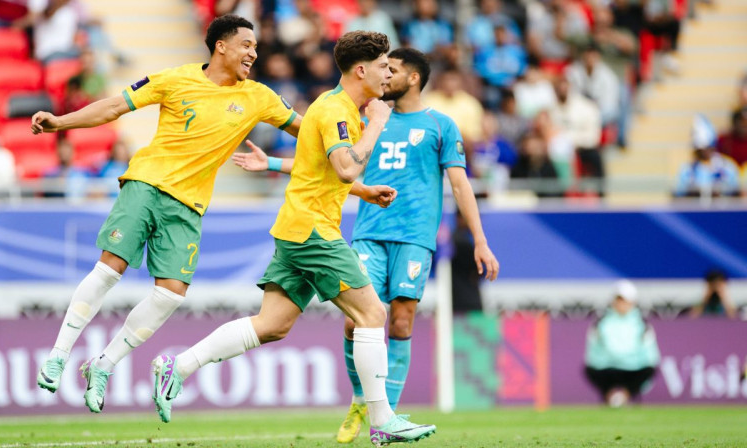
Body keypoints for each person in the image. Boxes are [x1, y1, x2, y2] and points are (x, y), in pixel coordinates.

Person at [151, 31, 437, 445]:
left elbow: (314, 170)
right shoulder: (339, 110)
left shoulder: (335, 108)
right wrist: (377, 124)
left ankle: (177, 367)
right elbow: (345, 167)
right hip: (313, 233)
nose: (388, 73)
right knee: (372, 315)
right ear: (361, 70)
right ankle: (383, 420)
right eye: (382, 66)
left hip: (295, 229)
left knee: (271, 325)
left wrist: (363, 192)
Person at [30, 15, 303, 414]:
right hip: (147, 183)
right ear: (221, 46)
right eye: (246, 44)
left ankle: (102, 365)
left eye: (256, 47)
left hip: (189, 205)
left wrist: (348, 130)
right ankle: (58, 354)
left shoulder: (258, 96)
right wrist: (60, 122)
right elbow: (112, 107)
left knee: (170, 294)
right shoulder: (174, 79)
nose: (254, 53)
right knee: (111, 266)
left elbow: (308, 130)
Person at [233, 47, 500, 443]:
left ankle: (384, 416)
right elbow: (325, 164)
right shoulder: (365, 120)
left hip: (415, 237)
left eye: (393, 70)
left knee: (402, 320)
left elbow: (460, 184)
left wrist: (480, 240)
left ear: (413, 78)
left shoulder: (440, 125)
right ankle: (364, 400)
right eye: (382, 68)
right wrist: (272, 163)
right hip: (369, 232)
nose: (385, 76)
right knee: (357, 318)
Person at [584, 280, 660, 407]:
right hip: (609, 368)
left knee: (649, 370)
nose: (621, 304)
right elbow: (592, 352)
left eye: (624, 300)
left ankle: (624, 396)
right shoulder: (601, 323)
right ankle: (610, 396)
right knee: (591, 369)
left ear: (632, 302)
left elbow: (652, 356)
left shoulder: (642, 324)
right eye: (618, 300)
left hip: (633, 369)